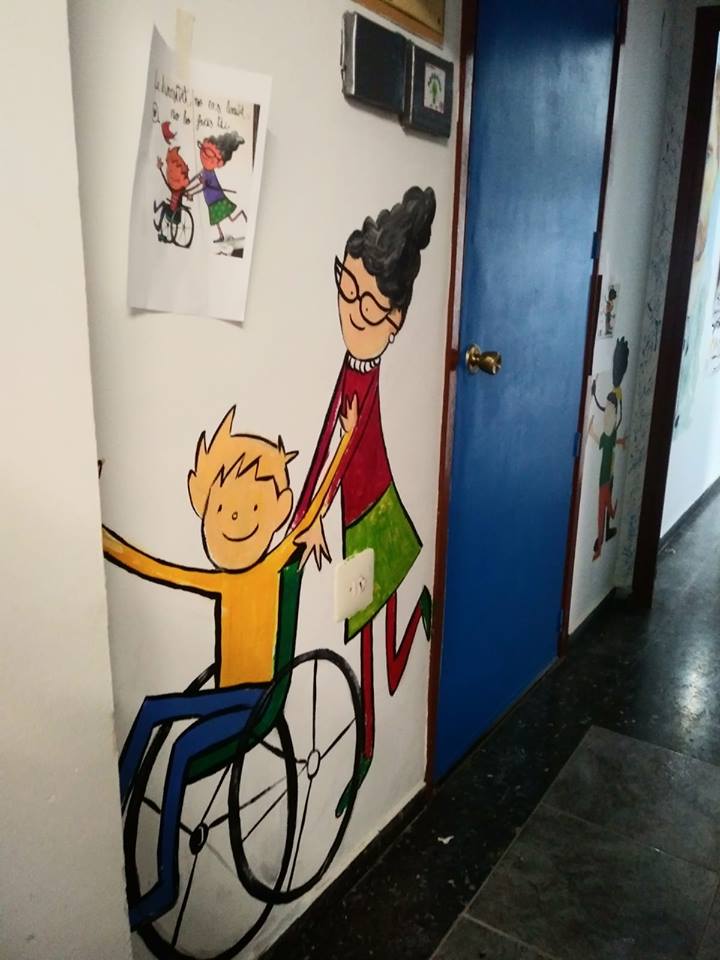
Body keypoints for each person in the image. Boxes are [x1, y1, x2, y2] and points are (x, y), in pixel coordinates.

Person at [103, 404, 354, 929]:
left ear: (276, 510)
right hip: (228, 695)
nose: (235, 521)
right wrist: (99, 532)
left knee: (182, 748)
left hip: (257, 698)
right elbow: (154, 567)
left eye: (251, 507)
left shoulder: (273, 563)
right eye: (223, 509)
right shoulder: (223, 580)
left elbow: (318, 503)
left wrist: (346, 440)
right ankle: (108, 814)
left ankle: (165, 886)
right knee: (152, 710)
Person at [290, 186, 436, 815]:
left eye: (370, 307)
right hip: (363, 515)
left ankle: (365, 761)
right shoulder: (351, 369)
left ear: (395, 322)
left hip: (374, 521)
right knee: (381, 653)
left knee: (377, 667)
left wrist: (314, 516)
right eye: (346, 290)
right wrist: (305, 515)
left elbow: (345, 448)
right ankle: (419, 609)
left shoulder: (365, 382)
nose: (352, 313)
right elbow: (328, 438)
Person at [187, 134, 247, 242]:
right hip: (211, 200)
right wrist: (187, 184)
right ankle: (221, 235)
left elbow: (202, 187)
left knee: (229, 219)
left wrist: (192, 193)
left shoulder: (209, 173)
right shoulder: (205, 170)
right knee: (218, 220)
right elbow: (196, 177)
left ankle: (242, 214)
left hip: (217, 199)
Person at [588, 393, 626, 560]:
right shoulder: (608, 433)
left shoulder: (611, 431)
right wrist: (591, 432)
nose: (607, 413)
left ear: (615, 412)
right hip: (604, 475)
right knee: (604, 503)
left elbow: (609, 442)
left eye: (610, 409)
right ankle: (612, 511)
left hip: (606, 475)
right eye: (607, 408)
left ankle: (599, 547)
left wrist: (591, 432)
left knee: (600, 510)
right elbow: (602, 442)